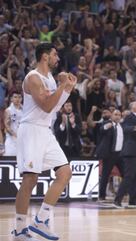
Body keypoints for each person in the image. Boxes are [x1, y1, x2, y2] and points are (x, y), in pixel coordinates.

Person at [12, 43, 77, 241]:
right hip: (31, 129)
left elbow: (55, 107)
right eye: (55, 54)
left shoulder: (49, 78)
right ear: (45, 57)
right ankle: (20, 228)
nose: (58, 58)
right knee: (30, 180)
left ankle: (41, 219)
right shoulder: (33, 78)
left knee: (65, 172)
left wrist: (67, 89)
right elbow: (47, 106)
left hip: (45, 131)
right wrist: (62, 87)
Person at [114, 101, 136, 207]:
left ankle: (133, 199)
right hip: (130, 152)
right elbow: (125, 128)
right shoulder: (130, 117)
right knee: (128, 177)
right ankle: (118, 199)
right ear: (133, 108)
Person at [96, 109, 124, 201]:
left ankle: (124, 193)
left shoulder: (121, 126)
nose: (117, 116)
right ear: (112, 116)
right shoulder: (108, 123)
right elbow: (101, 129)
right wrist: (106, 127)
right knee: (105, 175)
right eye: (115, 114)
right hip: (109, 154)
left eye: (119, 115)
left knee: (126, 174)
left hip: (120, 155)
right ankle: (102, 196)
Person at [4, 91, 22, 156]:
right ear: (11, 99)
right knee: (10, 157)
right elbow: (6, 125)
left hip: (22, 138)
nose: (17, 99)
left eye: (19, 97)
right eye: (15, 97)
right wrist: (15, 135)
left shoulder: (25, 110)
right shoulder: (8, 110)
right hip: (11, 139)